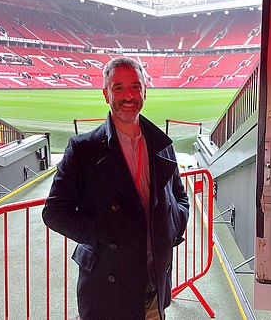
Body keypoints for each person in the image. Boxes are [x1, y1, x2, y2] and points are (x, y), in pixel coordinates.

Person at [42, 56, 189, 320]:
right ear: (105, 93)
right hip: (107, 290)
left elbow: (179, 197)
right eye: (118, 88)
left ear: (145, 90)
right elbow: (54, 212)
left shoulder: (161, 144)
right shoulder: (83, 149)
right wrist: (106, 232)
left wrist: (173, 224)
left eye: (135, 86)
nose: (128, 96)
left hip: (154, 287)